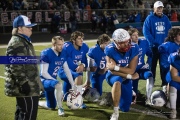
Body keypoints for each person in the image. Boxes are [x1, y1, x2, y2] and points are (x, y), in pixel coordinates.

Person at [4, 15, 43, 120]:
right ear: (19, 28)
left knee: (22, 114)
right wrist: (24, 83)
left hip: (30, 84)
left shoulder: (23, 40)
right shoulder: (17, 42)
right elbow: (16, 65)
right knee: (28, 115)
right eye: (28, 27)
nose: (31, 28)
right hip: (26, 87)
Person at [105, 28, 139, 120]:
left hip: (125, 76)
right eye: (122, 42)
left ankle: (113, 97)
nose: (125, 44)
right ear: (115, 42)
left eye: (127, 41)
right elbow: (112, 71)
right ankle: (115, 112)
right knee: (117, 81)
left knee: (125, 108)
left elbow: (131, 70)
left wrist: (118, 68)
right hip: (113, 76)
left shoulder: (134, 47)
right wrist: (129, 76)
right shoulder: (110, 49)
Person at [38, 36, 77, 116]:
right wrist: (56, 82)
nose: (61, 46)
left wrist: (73, 84)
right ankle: (60, 108)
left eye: (62, 44)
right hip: (43, 81)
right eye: (59, 44)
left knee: (51, 106)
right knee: (58, 84)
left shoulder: (63, 53)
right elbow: (43, 73)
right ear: (53, 44)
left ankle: (37, 101)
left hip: (52, 82)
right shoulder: (46, 53)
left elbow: (67, 70)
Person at [143, 1, 172, 90]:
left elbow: (169, 31)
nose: (160, 9)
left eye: (161, 8)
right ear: (154, 8)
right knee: (152, 66)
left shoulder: (165, 18)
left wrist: (167, 42)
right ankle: (151, 82)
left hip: (163, 48)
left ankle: (164, 83)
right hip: (153, 48)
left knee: (165, 66)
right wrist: (153, 43)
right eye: (158, 8)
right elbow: (146, 32)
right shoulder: (149, 18)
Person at [58, 31, 89, 108]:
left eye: (82, 38)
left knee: (66, 97)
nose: (82, 40)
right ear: (73, 40)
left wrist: (82, 64)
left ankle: (65, 95)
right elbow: (68, 64)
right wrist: (79, 67)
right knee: (78, 74)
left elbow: (85, 60)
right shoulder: (67, 47)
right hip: (63, 70)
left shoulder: (84, 47)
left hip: (73, 70)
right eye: (79, 38)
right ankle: (78, 100)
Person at [128, 28, 154, 105]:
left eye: (137, 35)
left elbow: (150, 53)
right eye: (134, 35)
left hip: (142, 69)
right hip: (132, 71)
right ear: (130, 37)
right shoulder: (127, 46)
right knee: (132, 99)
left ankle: (148, 98)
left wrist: (148, 63)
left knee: (150, 76)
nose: (136, 37)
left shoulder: (144, 42)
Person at [158, 28, 180, 94]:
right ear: (174, 36)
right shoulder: (167, 46)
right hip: (170, 70)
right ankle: (167, 90)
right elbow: (164, 63)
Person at [167, 49, 180, 119]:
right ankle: (173, 110)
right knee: (173, 85)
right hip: (177, 79)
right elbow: (174, 77)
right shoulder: (174, 58)